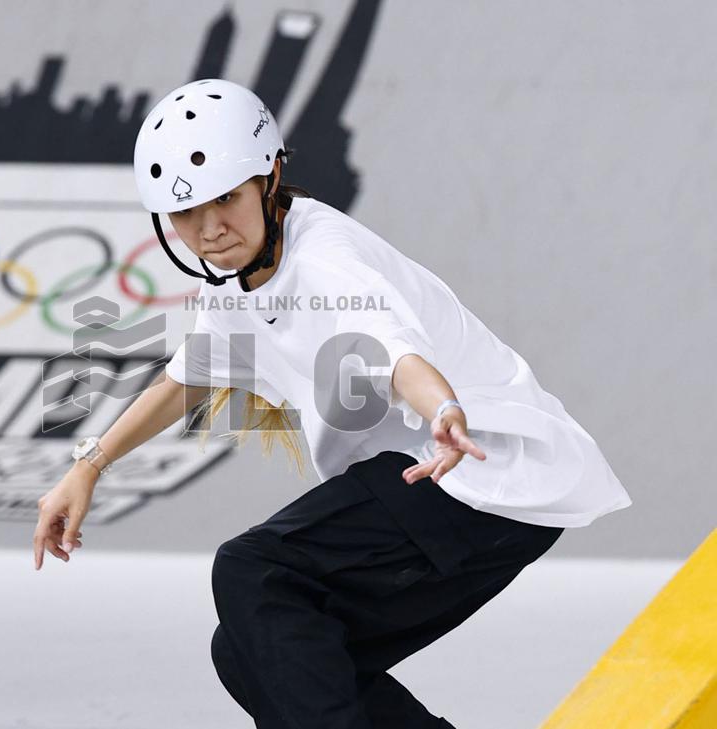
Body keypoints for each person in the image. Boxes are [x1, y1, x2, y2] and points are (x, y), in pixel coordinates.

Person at [33, 79, 632, 728]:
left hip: (474, 468)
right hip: (455, 493)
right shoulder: (238, 285)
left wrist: (443, 412)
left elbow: (396, 352)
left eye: (226, 200)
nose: (209, 230)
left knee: (253, 569)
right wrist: (86, 466)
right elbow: (185, 379)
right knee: (250, 649)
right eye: (186, 215)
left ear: (271, 176)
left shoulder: (324, 260)